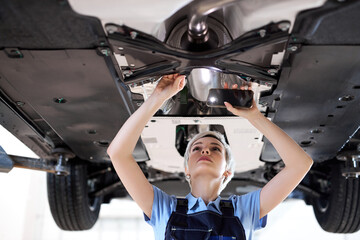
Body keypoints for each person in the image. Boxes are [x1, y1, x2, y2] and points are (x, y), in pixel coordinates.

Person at [107, 74, 313, 240]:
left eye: (215, 148)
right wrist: (156, 98)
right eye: (196, 148)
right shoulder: (165, 208)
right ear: (186, 168)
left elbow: (300, 164)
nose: (205, 151)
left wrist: (255, 116)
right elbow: (117, 153)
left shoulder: (242, 210)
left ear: (227, 170)